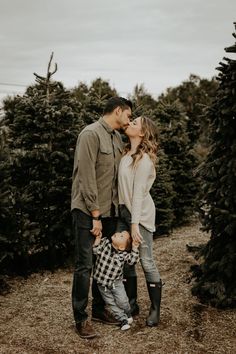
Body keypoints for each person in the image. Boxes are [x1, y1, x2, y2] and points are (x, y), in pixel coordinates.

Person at [71, 97, 132, 339]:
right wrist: (95, 215)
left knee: (102, 264)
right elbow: (86, 177)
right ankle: (80, 318)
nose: (129, 120)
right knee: (85, 265)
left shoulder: (117, 137)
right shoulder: (90, 134)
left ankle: (98, 310)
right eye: (128, 115)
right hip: (88, 211)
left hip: (109, 212)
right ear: (117, 110)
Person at [117, 115, 163, 327]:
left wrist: (135, 224)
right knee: (126, 259)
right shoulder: (125, 153)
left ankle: (155, 310)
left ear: (142, 133)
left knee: (146, 260)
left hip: (141, 216)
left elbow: (137, 194)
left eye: (135, 123)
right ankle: (131, 305)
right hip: (125, 213)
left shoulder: (144, 160)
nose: (130, 123)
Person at [93, 230, 139, 331]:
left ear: (122, 247)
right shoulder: (105, 243)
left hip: (116, 283)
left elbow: (133, 260)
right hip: (102, 283)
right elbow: (95, 251)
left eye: (121, 236)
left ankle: (127, 313)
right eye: (120, 233)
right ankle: (122, 320)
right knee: (111, 302)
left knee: (122, 301)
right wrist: (97, 239)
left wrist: (135, 247)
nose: (118, 233)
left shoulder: (123, 255)